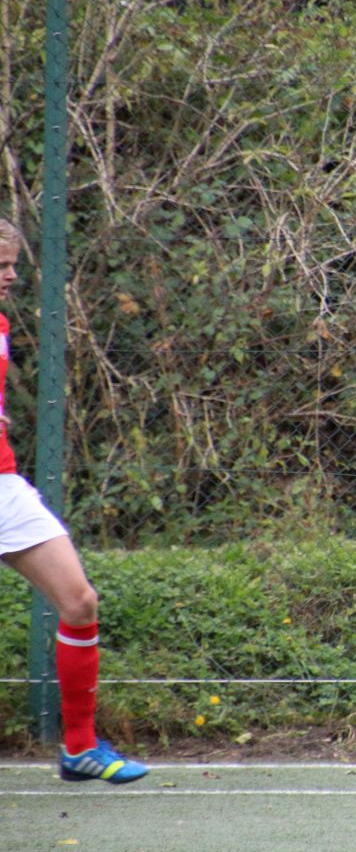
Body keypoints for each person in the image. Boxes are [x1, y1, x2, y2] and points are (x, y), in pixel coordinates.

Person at [0, 218, 148, 784]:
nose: (13, 276)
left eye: (14, 264)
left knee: (80, 601)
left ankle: (80, 748)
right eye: (2, 266)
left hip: (5, 485)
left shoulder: (1, 324)